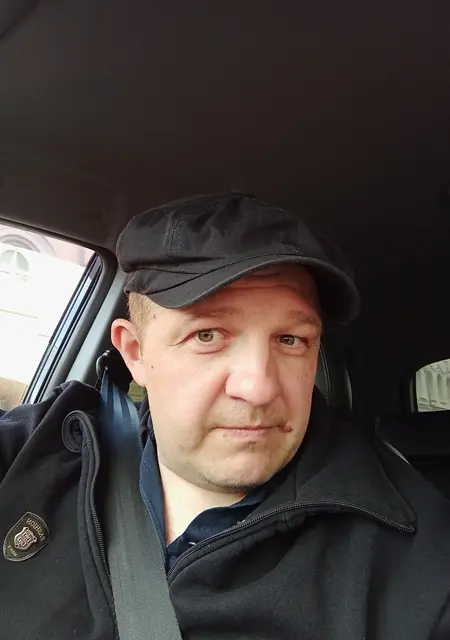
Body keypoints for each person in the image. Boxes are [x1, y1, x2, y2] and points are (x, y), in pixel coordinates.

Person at [1, 191, 450, 640]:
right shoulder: (39, 447)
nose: (258, 388)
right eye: (208, 335)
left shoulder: (414, 553)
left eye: (291, 340)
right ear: (135, 352)